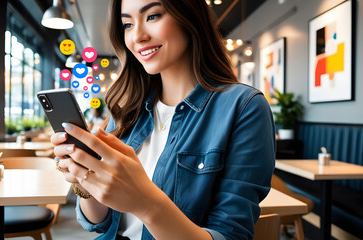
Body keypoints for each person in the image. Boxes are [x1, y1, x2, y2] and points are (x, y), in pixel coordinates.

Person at [52, 0, 276, 239]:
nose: (137, 36)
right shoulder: (126, 109)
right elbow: (100, 223)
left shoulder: (243, 107)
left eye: (152, 16)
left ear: (189, 17)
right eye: (127, 24)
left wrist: (146, 202)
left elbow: (232, 235)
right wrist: (86, 181)